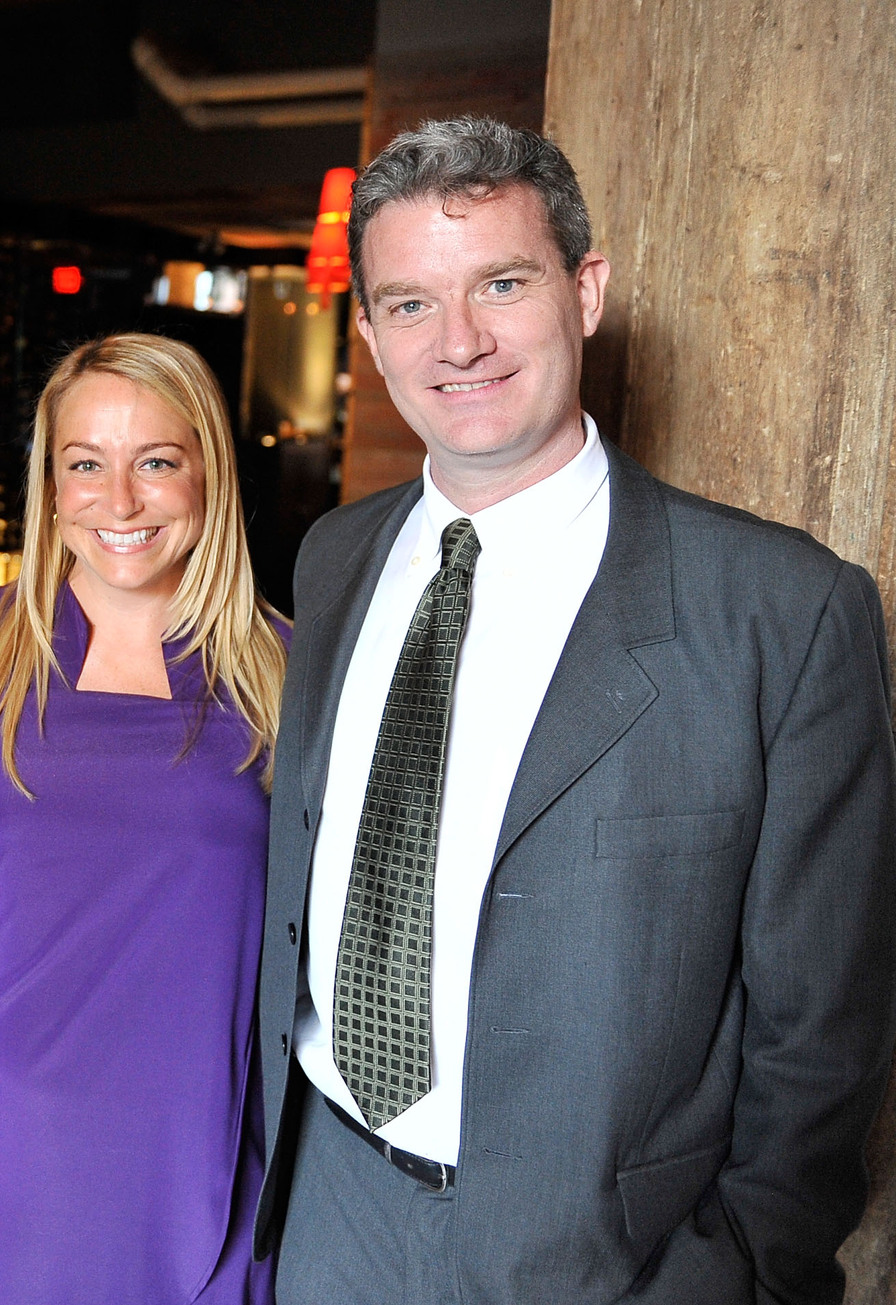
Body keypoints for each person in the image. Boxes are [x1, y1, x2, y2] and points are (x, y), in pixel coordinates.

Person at [255, 115, 896, 1304]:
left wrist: (743, 1272)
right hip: (327, 1204)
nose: (458, 341)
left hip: (610, 1259)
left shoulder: (779, 611)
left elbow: (825, 1027)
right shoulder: (335, 558)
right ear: (368, 336)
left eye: (500, 283)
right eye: (408, 303)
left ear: (584, 290)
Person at [0, 333, 284, 1304]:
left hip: (201, 1149)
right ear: (49, 483)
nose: (118, 502)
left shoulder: (286, 672)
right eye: (85, 464)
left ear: (208, 471)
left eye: (156, 463)